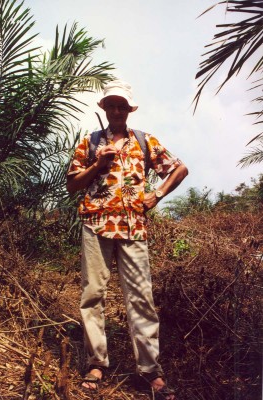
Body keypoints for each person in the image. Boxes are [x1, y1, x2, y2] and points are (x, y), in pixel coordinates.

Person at [67, 80, 188, 400]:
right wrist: (98, 164)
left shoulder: (145, 142)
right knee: (92, 294)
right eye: (111, 105)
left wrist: (157, 194)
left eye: (122, 105)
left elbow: (179, 169)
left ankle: (150, 371)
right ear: (103, 108)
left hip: (134, 228)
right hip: (96, 225)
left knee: (141, 299)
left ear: (130, 109)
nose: (117, 110)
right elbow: (72, 185)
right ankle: (96, 364)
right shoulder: (90, 142)